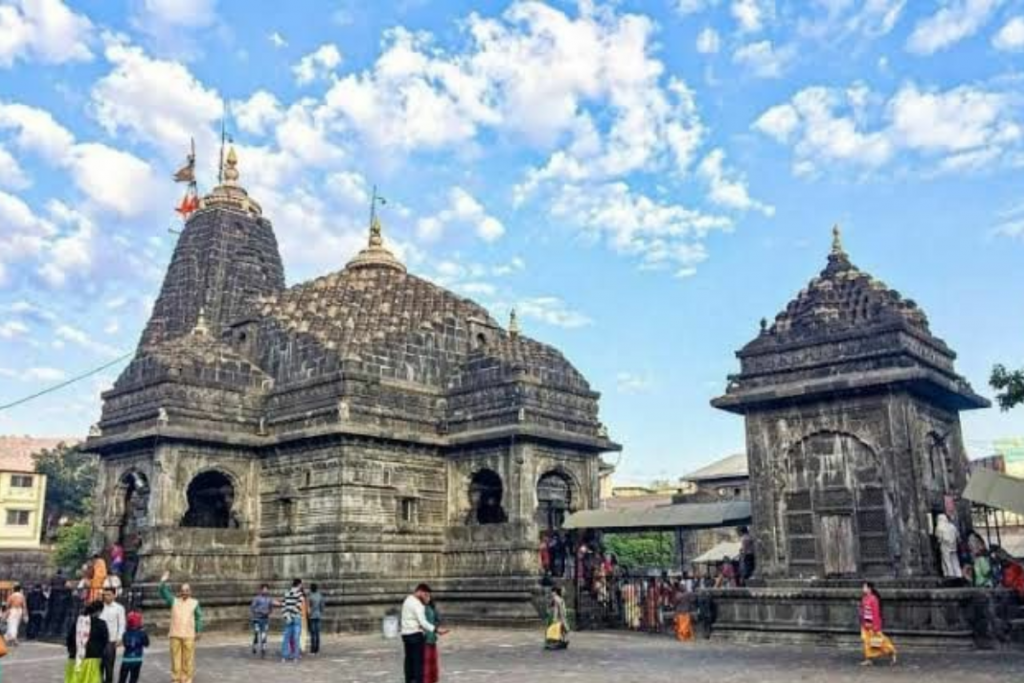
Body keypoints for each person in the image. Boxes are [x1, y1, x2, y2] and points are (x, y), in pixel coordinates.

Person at [159, 571, 203, 683]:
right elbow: (163, 592)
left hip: (189, 634)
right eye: (183, 591)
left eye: (187, 590)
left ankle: (187, 678)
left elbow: (199, 617)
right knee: (175, 658)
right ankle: (176, 678)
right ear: (180, 592)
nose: (184, 593)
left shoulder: (195, 603)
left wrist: (199, 630)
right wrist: (163, 580)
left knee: (188, 658)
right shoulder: (174, 601)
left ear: (190, 592)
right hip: (175, 634)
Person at [65, 601, 109, 683]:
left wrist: (72, 651)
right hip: (92, 660)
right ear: (99, 611)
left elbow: (69, 638)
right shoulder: (101, 624)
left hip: (75, 658)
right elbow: (105, 641)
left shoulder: (78, 621)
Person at [400, 584, 436, 683]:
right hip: (415, 635)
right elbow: (423, 621)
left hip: (406, 634)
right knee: (418, 662)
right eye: (425, 595)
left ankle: (409, 680)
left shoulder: (408, 599)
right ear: (420, 591)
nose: (426, 597)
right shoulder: (418, 604)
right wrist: (435, 629)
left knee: (409, 659)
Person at [859, 581, 896, 666]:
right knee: (867, 642)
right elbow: (863, 610)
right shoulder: (865, 598)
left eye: (864, 587)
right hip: (865, 624)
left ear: (869, 589)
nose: (863, 589)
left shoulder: (874, 599)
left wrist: (875, 625)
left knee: (880, 641)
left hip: (872, 625)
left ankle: (891, 652)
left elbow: (876, 613)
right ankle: (868, 659)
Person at [99, 587, 125, 683]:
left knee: (109, 666)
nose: (106, 597)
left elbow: (121, 623)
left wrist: (119, 637)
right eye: (105, 595)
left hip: (111, 640)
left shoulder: (119, 608)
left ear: (114, 595)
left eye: (109, 594)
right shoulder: (99, 606)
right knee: (98, 665)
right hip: (99, 641)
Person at [422, 592, 449, 683]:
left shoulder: (432, 608)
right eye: (424, 596)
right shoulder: (420, 609)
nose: (426, 598)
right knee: (425, 663)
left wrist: (437, 628)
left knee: (432, 662)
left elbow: (437, 620)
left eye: (428, 596)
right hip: (424, 639)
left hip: (432, 638)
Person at [118, 611, 149, 683]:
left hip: (127, 659)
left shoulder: (125, 633)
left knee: (122, 679)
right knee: (133, 679)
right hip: (137, 659)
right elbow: (147, 644)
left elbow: (125, 644)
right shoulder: (142, 633)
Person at [280, 578, 304, 662]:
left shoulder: (286, 593)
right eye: (301, 584)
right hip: (296, 617)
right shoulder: (300, 594)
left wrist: (287, 617)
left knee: (286, 637)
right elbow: (298, 606)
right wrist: (292, 616)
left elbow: (283, 606)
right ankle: (295, 657)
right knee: (296, 638)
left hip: (288, 618)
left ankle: (284, 656)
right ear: (299, 584)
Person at [935, 513, 962, 579]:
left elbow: (939, 538)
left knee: (947, 561)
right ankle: (958, 574)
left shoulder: (939, 527)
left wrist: (938, 545)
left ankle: (950, 574)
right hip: (953, 545)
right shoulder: (952, 526)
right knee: (955, 561)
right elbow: (958, 536)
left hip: (945, 546)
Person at [249, 584, 273, 657]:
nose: (265, 591)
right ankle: (254, 646)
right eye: (264, 589)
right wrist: (260, 611)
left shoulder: (269, 599)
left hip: (265, 619)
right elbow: (252, 608)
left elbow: (271, 609)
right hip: (257, 619)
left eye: (266, 589)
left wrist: (268, 612)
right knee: (256, 633)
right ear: (261, 590)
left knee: (264, 634)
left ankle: (263, 649)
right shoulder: (256, 598)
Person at [307, 583, 324, 655]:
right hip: (318, 615)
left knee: (313, 634)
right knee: (317, 633)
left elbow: (308, 608)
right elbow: (322, 606)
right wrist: (320, 612)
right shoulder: (320, 596)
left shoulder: (310, 597)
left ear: (311, 589)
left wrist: (308, 615)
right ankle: (317, 650)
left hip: (312, 616)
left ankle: (313, 650)